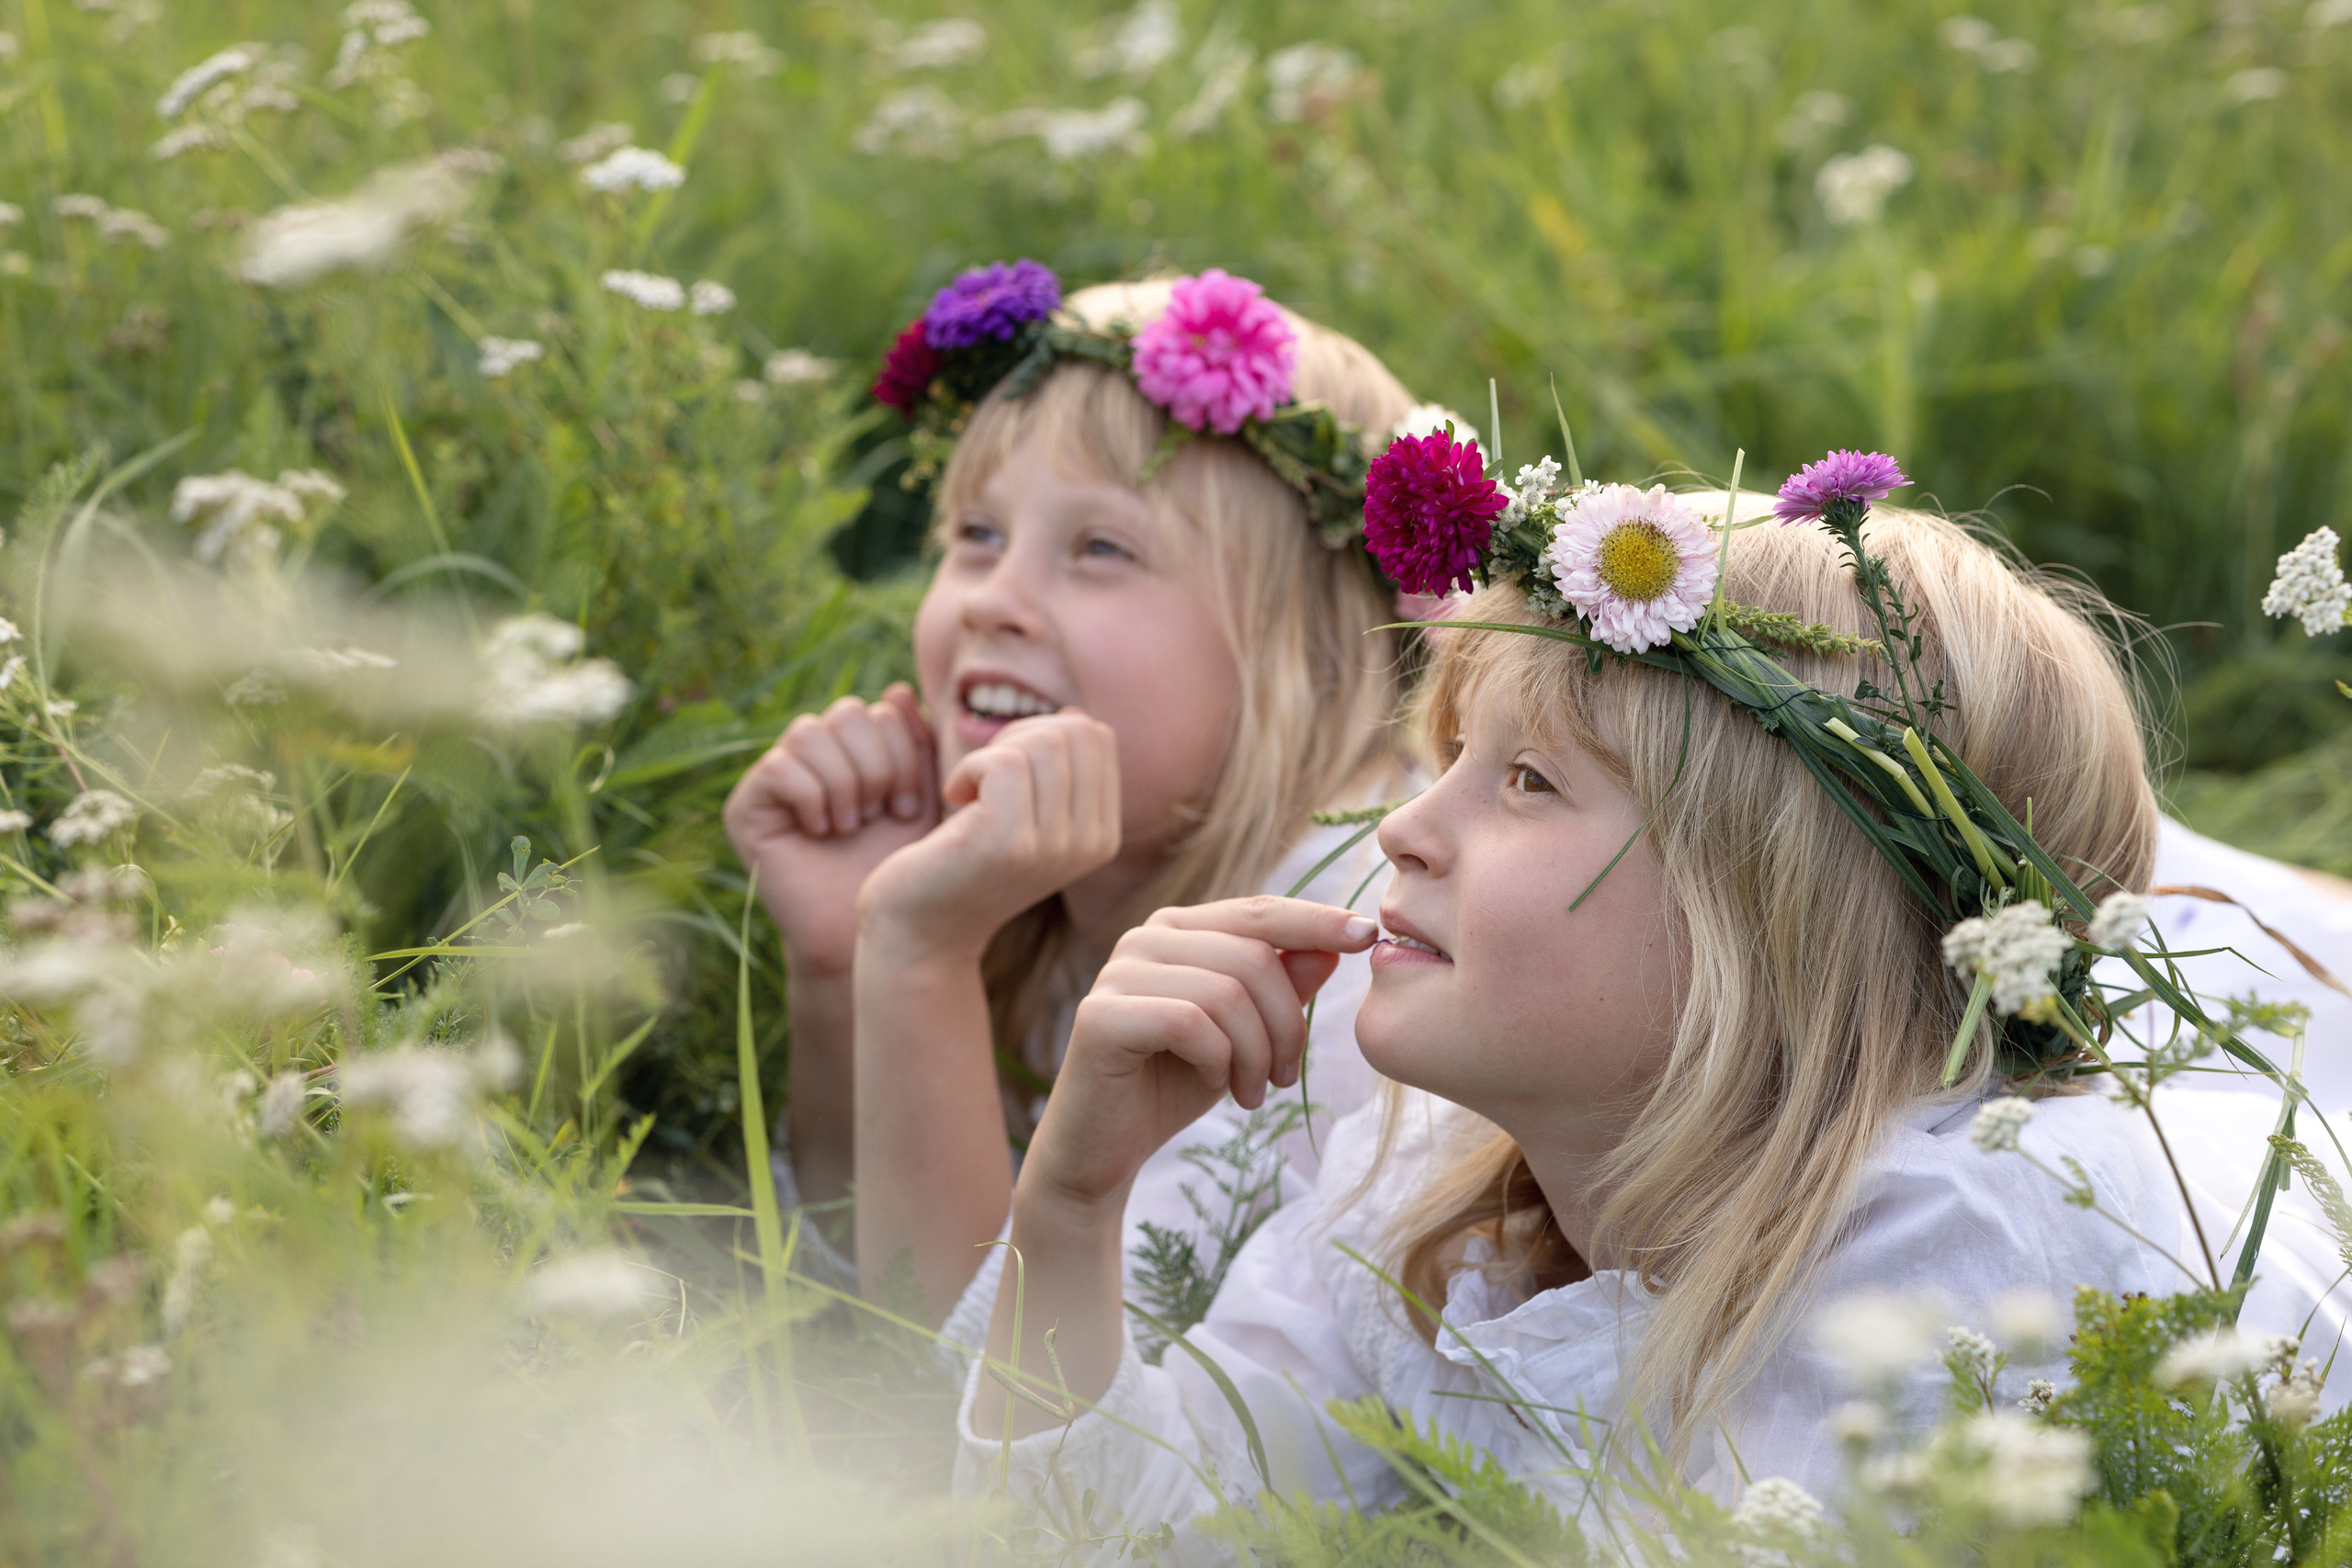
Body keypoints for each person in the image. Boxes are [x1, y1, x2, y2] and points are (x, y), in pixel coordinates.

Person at [959, 462, 2195, 1532]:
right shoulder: (1440, 1209)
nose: (1403, 826)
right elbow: (1142, 1533)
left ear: (1772, 913)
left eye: (1529, 780)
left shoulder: (1961, 1256)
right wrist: (1071, 1201)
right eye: (1450, 759)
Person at [723, 262, 1447, 1325]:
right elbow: (865, 1287)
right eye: (974, 536)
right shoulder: (1063, 890)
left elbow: (1001, 1406)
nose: (994, 601)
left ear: (1308, 655)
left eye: (1100, 548)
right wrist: (844, 966)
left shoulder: (1345, 961)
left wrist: (919, 957)